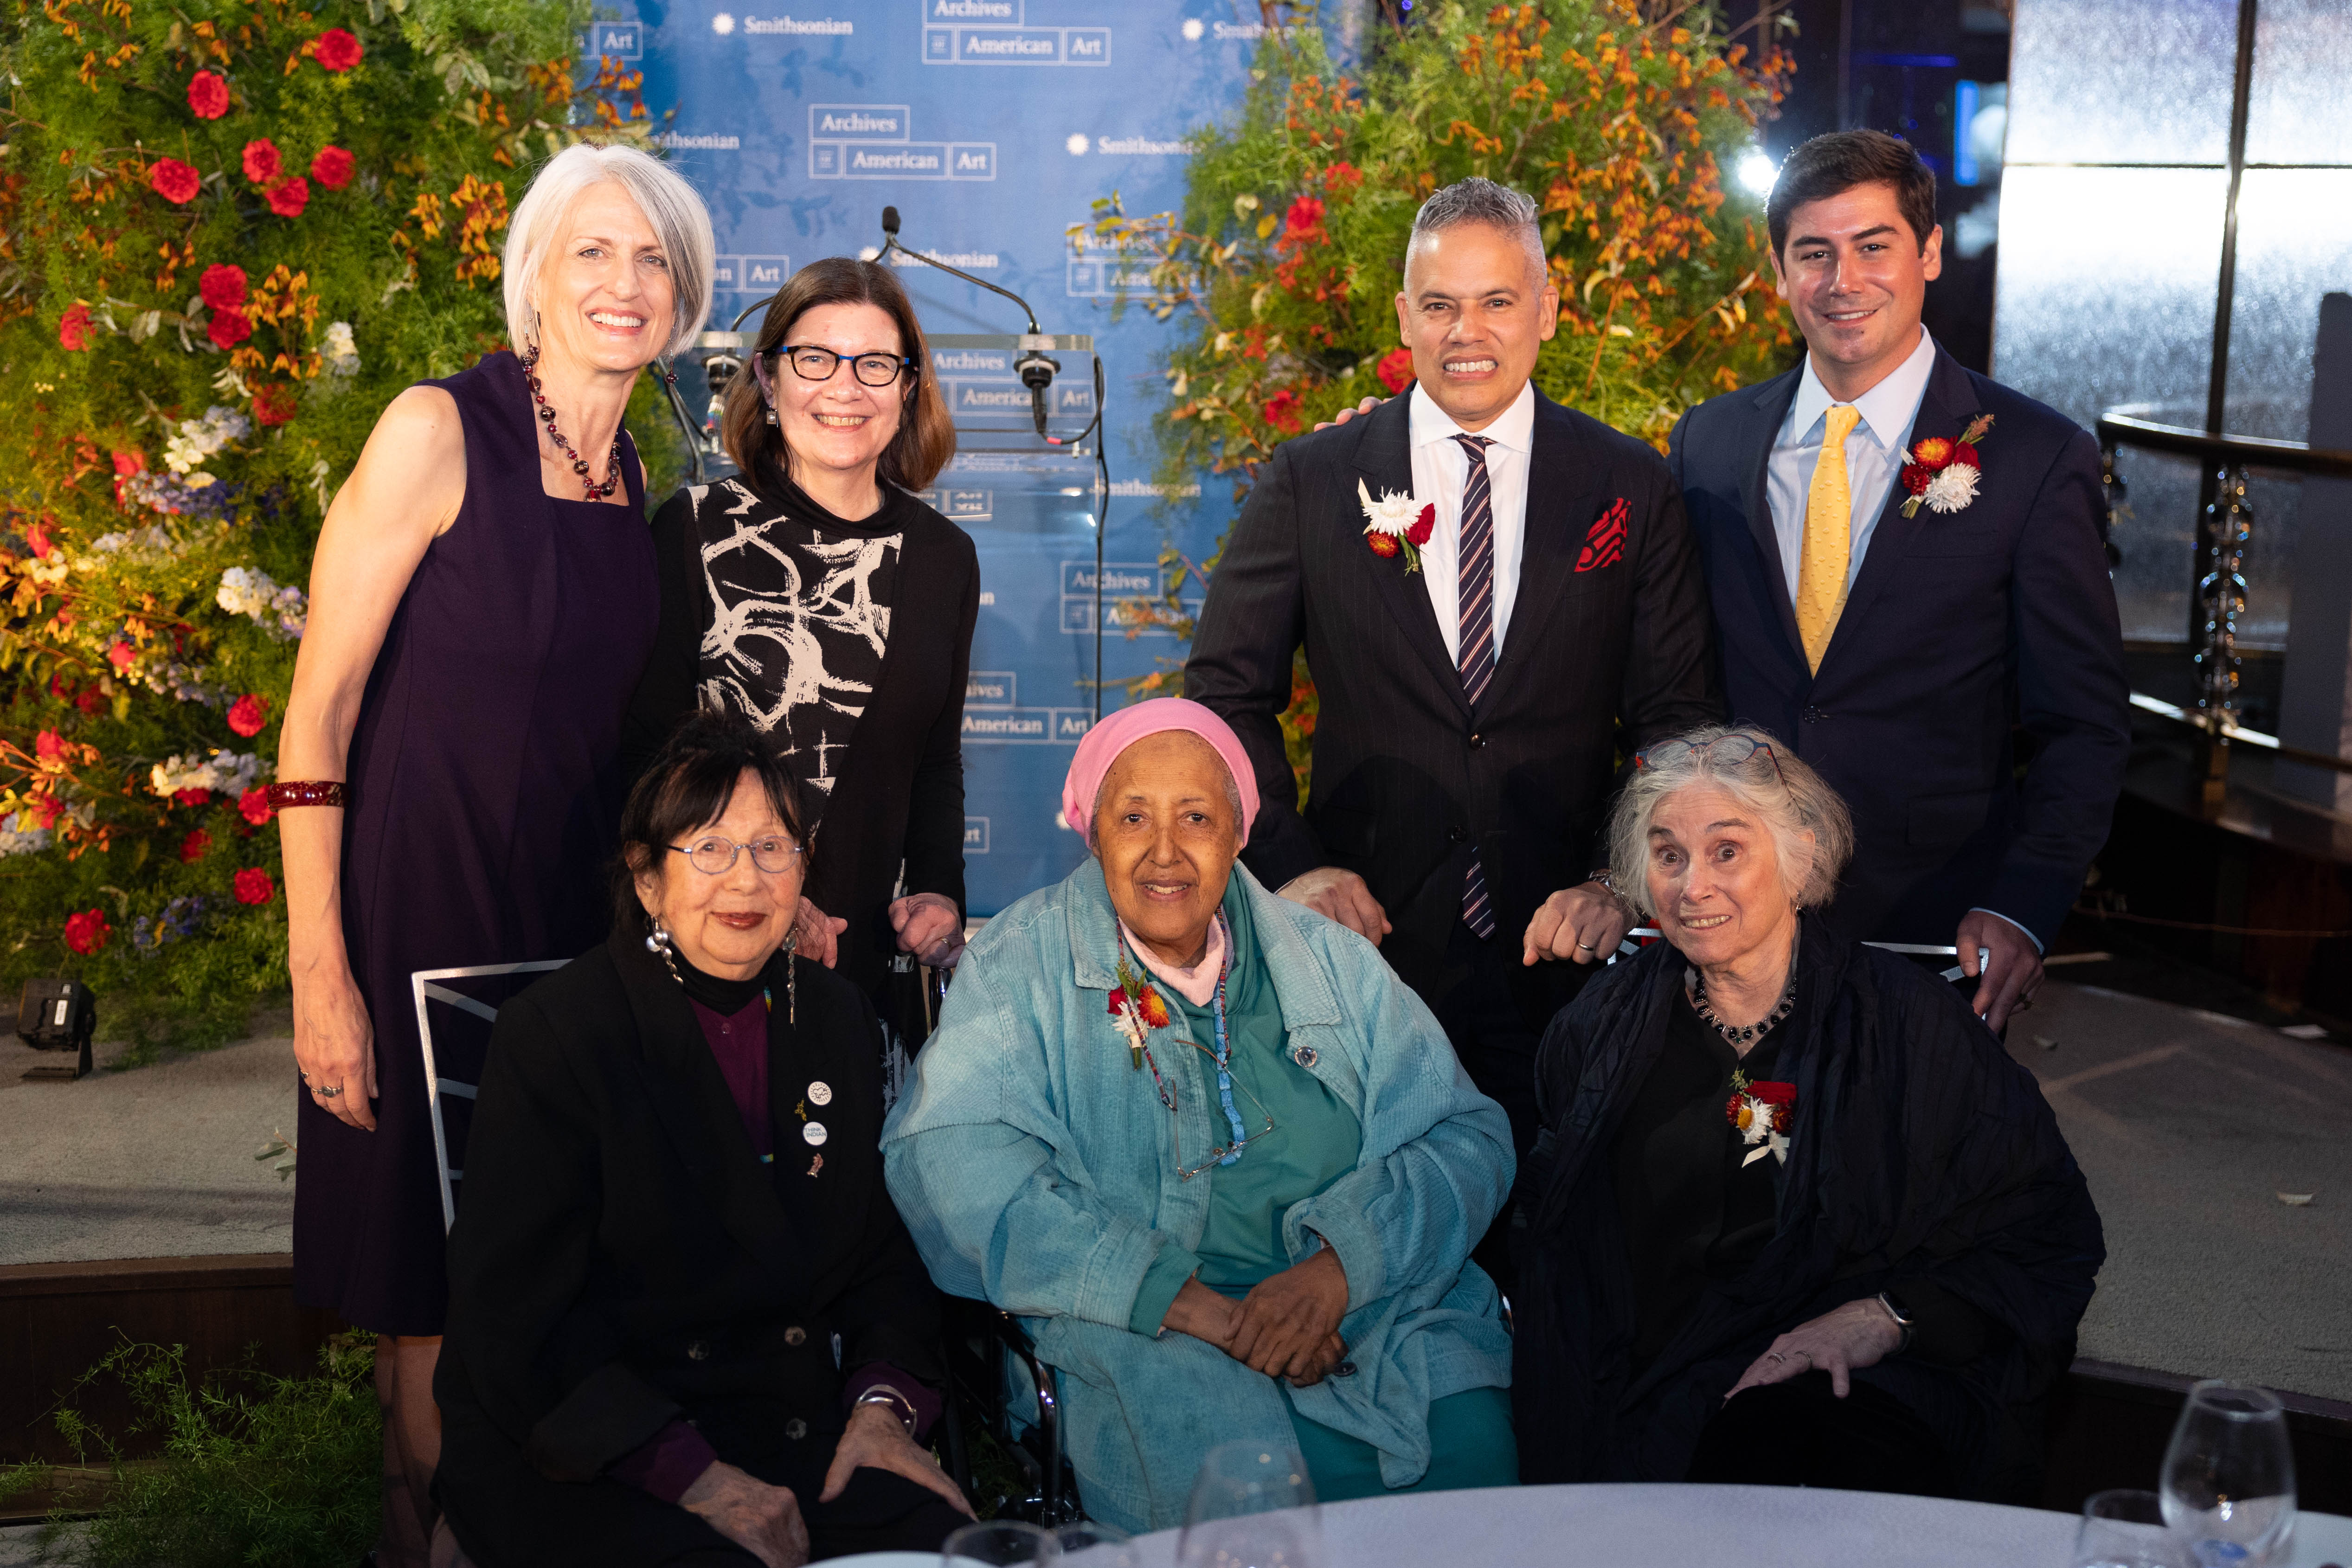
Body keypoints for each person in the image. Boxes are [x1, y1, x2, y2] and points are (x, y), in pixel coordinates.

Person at [276, 142, 713, 1566]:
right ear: (533, 276)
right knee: (426, 1294)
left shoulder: (635, 467)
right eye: (591, 252)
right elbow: (318, 709)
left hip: (558, 930)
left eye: (650, 259)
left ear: (684, 295)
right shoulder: (434, 429)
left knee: (519, 1275)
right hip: (412, 910)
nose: (623, 283)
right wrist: (318, 970)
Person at [1184, 177, 1722, 1290]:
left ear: (1548, 308)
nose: (1466, 334)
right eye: (1439, 306)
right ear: (1401, 317)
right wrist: (1294, 866)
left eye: (1495, 302)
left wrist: (1620, 883)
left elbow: (1676, 724)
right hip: (1363, 958)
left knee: (1561, 1263)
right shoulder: (1314, 478)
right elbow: (1224, 699)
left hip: (1564, 964)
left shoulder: (1630, 484)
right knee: (1364, 1259)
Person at [881, 698, 1517, 1535]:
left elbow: (1463, 1136)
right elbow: (947, 1161)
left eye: (1196, 817)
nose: (1165, 852)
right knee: (1246, 1509)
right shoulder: (1019, 966)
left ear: (1239, 833)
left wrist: (1339, 1270)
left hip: (1372, 1313)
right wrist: (1185, 1301)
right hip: (1147, 1333)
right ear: (1093, 832)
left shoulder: (1332, 960)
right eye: (1133, 816)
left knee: (1469, 1494)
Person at [435, 711, 971, 1566]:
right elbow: (517, 1318)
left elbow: (884, 1249)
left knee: (951, 1552)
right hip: (607, 1444)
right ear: (647, 879)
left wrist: (882, 1409)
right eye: (710, 849)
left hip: (802, 1428)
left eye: (773, 848)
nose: (746, 880)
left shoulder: (832, 1013)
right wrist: (695, 1477)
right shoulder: (561, 1034)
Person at [1512, 726, 2103, 1501]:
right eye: (1667, 855)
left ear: (1802, 857)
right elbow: (1558, 1250)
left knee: (1775, 1453)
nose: (1692, 887)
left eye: (1727, 851)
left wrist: (1883, 1318)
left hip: (1847, 1388)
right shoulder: (1599, 1031)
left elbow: (2042, 1234)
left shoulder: (1909, 1028)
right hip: (1639, 1379)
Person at [1666, 130, 2129, 1030]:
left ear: (1926, 252)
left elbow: (2084, 723)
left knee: (1906, 1168)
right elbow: (1672, 674)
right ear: (1779, 271)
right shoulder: (1709, 444)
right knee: (1732, 1161)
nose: (1844, 280)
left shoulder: (2036, 457)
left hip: (1932, 922)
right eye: (1815, 253)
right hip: (1732, 911)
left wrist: (2026, 902)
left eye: (1873, 246)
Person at [624, 257, 976, 1030]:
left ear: (908, 387)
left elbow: (936, 761)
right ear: (768, 379)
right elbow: (646, 764)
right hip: (705, 961)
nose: (844, 387)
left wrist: (941, 892)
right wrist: (760, 898)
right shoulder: (691, 532)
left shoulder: (944, 557)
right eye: (814, 359)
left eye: (875, 364)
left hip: (857, 975)